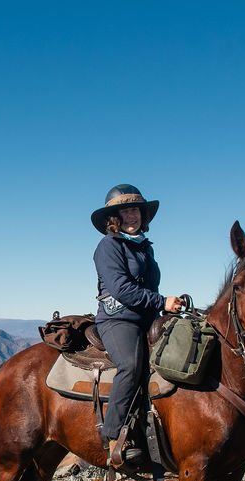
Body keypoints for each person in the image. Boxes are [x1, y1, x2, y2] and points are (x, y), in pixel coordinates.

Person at [91, 184, 183, 466]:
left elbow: (147, 286)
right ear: (114, 218)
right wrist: (162, 302)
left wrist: (166, 306)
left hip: (146, 316)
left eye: (136, 210)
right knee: (131, 365)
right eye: (125, 211)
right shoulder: (108, 246)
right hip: (118, 318)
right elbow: (121, 289)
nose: (132, 215)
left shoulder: (144, 247)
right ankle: (113, 436)